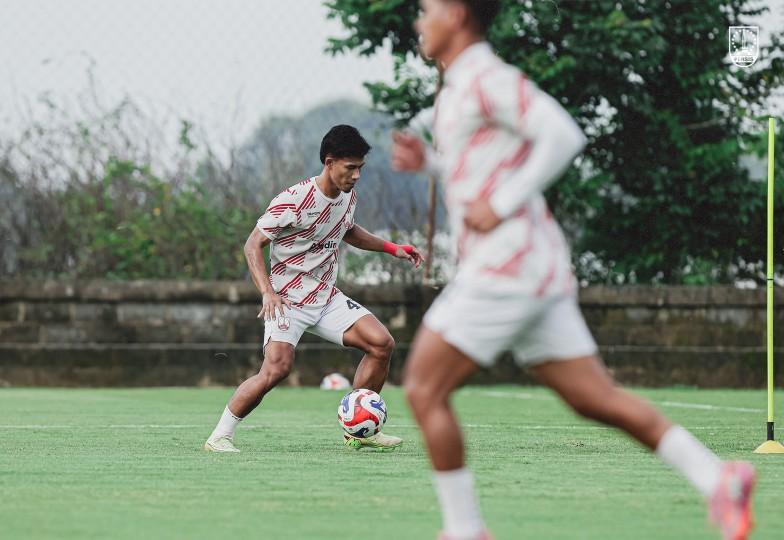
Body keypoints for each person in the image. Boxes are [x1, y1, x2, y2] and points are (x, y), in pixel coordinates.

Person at [391, 2, 754, 539]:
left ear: (459, 13)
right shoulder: (460, 85)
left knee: (423, 389)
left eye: (427, 10)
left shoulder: (487, 76)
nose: (420, 21)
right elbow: (483, 171)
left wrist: (507, 200)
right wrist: (432, 163)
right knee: (593, 398)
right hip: (535, 267)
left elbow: (563, 134)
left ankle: (465, 531)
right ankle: (717, 477)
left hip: (506, 267)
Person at [205, 124, 423, 453]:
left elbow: (347, 231)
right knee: (276, 370)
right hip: (287, 302)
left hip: (325, 297)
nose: (356, 175)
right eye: (350, 168)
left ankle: (359, 433)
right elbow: (252, 245)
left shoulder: (347, 195)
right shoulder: (293, 200)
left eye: (360, 168)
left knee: (381, 344)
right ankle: (219, 436)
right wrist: (267, 291)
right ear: (329, 161)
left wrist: (393, 248)